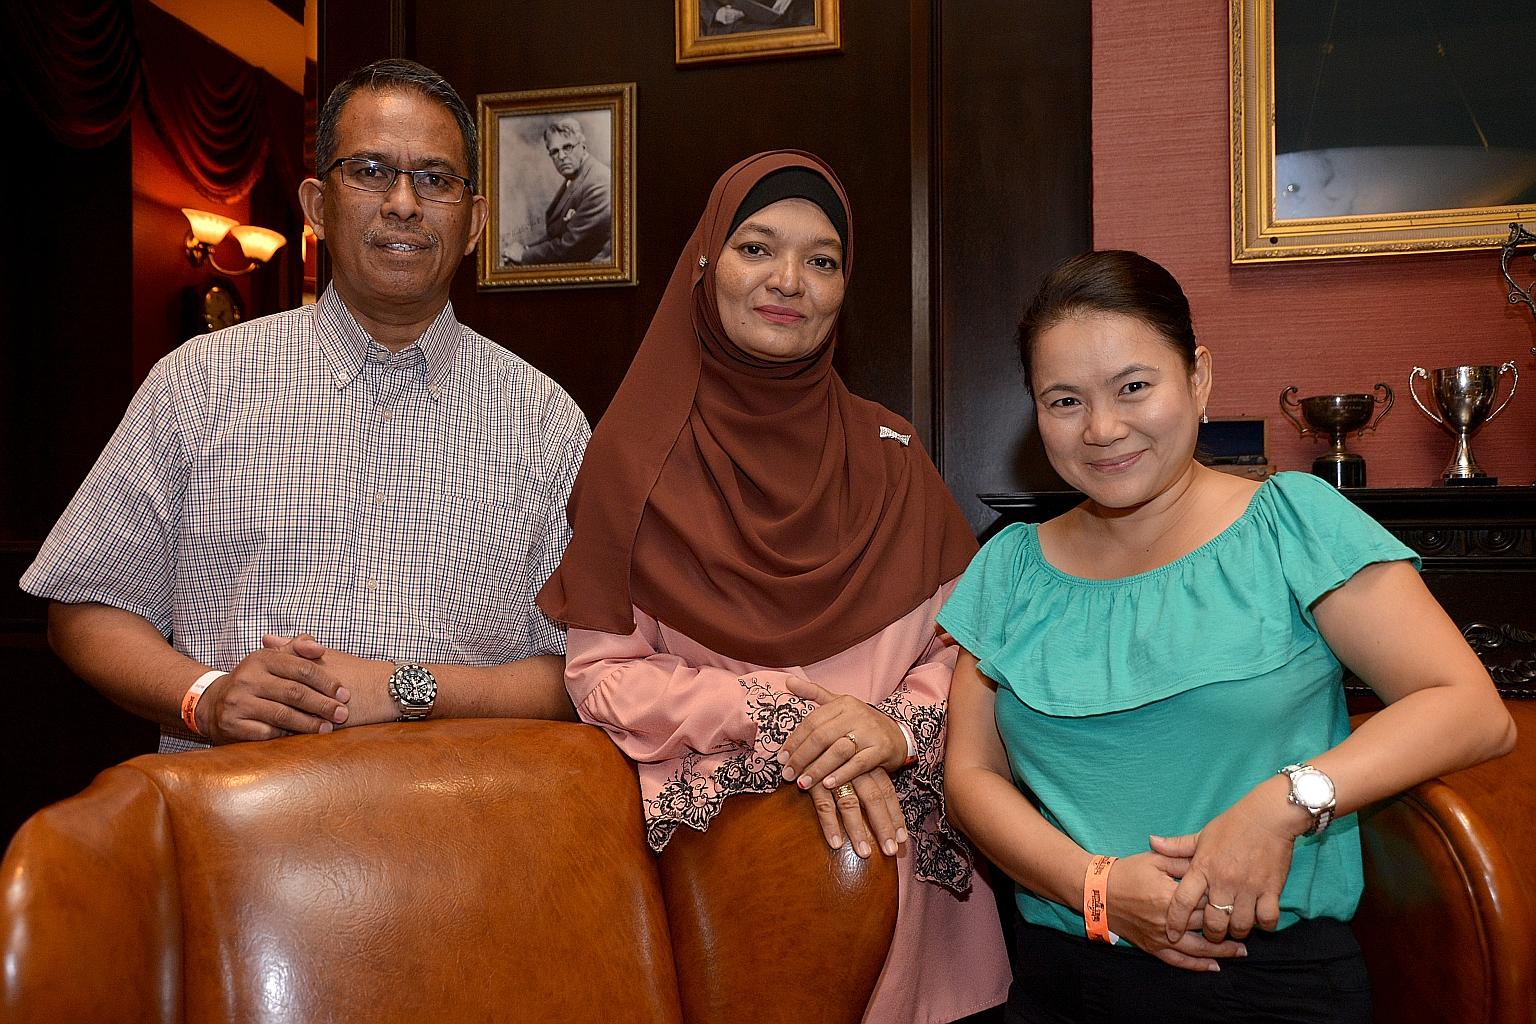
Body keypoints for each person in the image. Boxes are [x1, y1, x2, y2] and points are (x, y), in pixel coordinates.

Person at [938, 250, 1517, 1024]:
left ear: (1199, 377)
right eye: (1064, 400)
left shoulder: (1291, 521)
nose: (1103, 429)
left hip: (1268, 984)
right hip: (1061, 981)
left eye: (1134, 387)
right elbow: (972, 776)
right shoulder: (1009, 566)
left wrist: (1283, 804)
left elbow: (1471, 709)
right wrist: (1098, 887)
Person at [536, 151, 1010, 1022]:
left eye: (822, 260)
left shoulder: (893, 456)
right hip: (724, 884)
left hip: (910, 889)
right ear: (708, 262)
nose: (789, 280)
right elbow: (600, 675)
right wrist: (788, 719)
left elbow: (969, 651)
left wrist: (889, 730)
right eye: (757, 248)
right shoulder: (630, 462)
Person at [22, 59, 590, 752]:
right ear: (318, 206)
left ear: (473, 223)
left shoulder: (544, 420)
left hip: (466, 839)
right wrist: (208, 697)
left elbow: (580, 671)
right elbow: (86, 605)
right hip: (237, 837)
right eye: (372, 171)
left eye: (436, 179)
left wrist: (411, 689)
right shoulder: (198, 384)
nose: (404, 202)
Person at [503, 118, 612, 266]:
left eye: (567, 147)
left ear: (583, 146)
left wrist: (524, 255)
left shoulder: (599, 183)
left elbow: (570, 246)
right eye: (554, 151)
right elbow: (556, 234)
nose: (561, 157)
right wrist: (526, 248)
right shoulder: (576, 177)